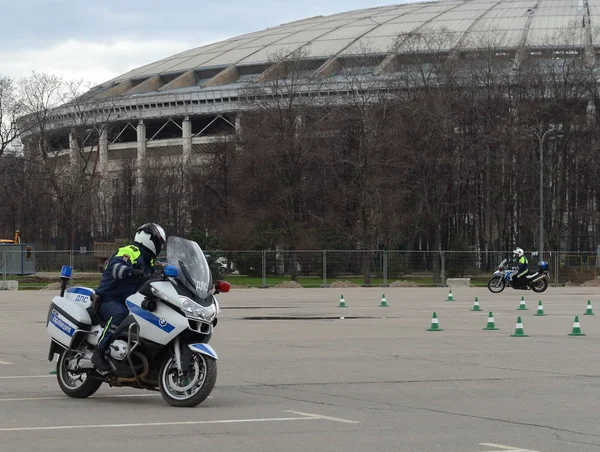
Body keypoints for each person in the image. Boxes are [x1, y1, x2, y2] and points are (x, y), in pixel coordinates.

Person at [91, 223, 166, 371]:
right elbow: (114, 267)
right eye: (159, 242)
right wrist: (129, 272)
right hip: (109, 298)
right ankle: (99, 352)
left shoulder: (149, 261)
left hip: (130, 302)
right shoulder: (130, 251)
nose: (160, 246)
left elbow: (156, 277)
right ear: (148, 238)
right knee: (120, 314)